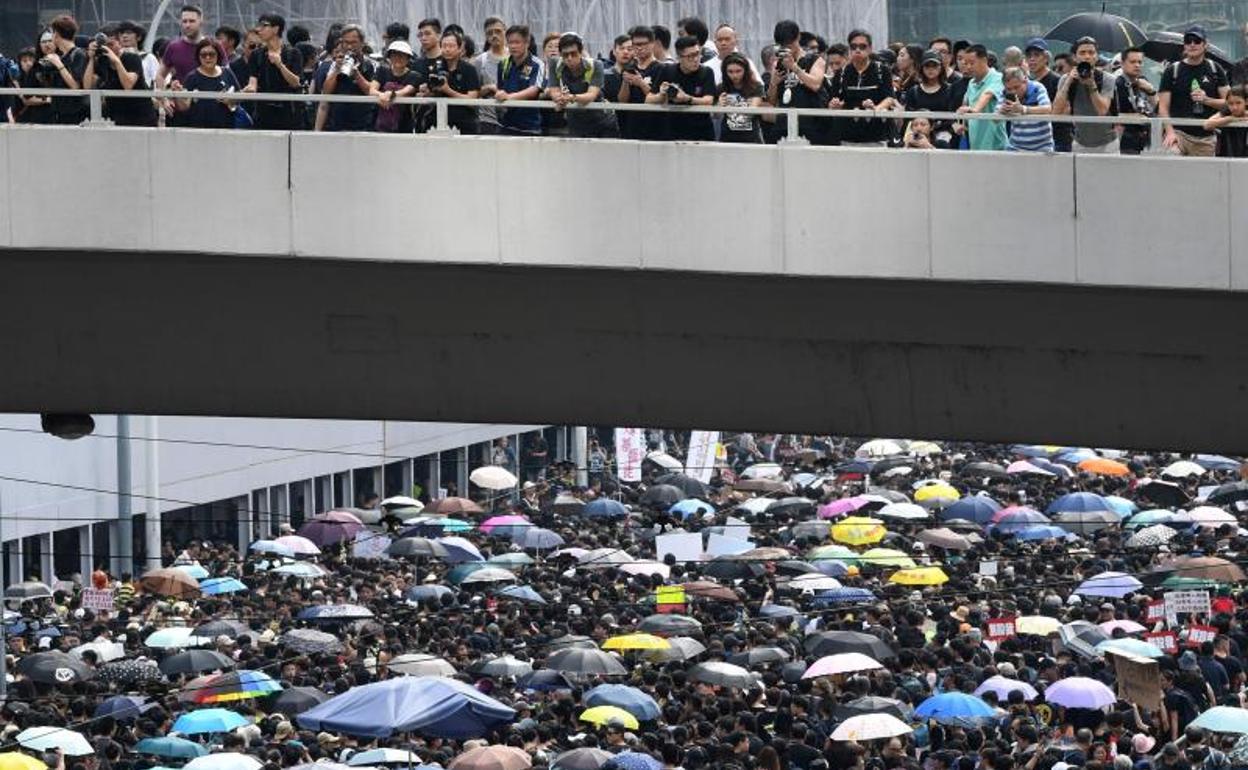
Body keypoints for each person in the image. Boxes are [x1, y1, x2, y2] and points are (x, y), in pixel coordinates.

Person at [1159, 24, 1230, 157]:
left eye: (1197, 41)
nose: (1192, 44)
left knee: (1203, 176)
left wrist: (1206, 100)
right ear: (1184, 45)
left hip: (1206, 136)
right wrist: (1169, 132)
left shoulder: (1215, 69)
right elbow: (1163, 107)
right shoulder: (1172, 70)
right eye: (1188, 41)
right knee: (1170, 163)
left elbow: (1230, 103)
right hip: (1179, 134)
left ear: (1205, 45)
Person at [766, 19, 831, 145]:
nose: (787, 49)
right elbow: (771, 101)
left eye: (790, 45)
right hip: (784, 124)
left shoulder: (815, 60)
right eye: (783, 46)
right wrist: (773, 83)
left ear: (798, 37)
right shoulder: (778, 64)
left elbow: (815, 85)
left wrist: (794, 67)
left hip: (811, 124)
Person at [828, 29, 895, 146]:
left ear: (870, 49)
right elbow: (834, 100)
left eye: (862, 46)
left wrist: (877, 108)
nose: (857, 50)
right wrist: (835, 104)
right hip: (848, 135)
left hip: (876, 134)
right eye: (853, 47)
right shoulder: (841, 73)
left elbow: (889, 97)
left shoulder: (882, 70)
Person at [1051, 36, 1117, 153]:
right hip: (1079, 142)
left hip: (1107, 143)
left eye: (1091, 53)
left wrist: (1092, 84)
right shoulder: (1066, 79)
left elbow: (1102, 110)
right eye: (1082, 53)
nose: (1087, 56)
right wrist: (1068, 82)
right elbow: (1056, 111)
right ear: (1075, 57)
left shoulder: (1107, 78)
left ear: (1097, 56)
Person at [83, 24, 157, 127]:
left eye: (111, 44)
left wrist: (117, 62)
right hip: (116, 117)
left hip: (140, 117)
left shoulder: (132, 58)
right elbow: (87, 86)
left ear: (120, 43)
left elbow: (128, 85)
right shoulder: (102, 60)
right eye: (105, 46)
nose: (108, 49)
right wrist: (91, 58)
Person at [547, 32, 617, 139]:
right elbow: (554, 90)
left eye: (573, 54)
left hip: (602, 122)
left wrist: (571, 97)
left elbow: (591, 95)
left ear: (581, 52)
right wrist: (559, 98)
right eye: (565, 55)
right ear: (560, 54)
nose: (569, 58)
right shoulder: (554, 63)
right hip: (576, 123)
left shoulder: (595, 65)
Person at [648, 35, 715, 142]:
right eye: (690, 56)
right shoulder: (667, 70)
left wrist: (687, 99)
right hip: (673, 130)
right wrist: (661, 95)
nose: (696, 59)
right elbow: (649, 99)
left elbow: (709, 100)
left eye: (697, 54)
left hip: (701, 131)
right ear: (679, 57)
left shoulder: (706, 72)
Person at [244, 13, 303, 130]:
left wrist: (279, 64)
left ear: (276, 29)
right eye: (258, 26)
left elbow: (296, 82)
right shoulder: (256, 55)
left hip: (288, 113)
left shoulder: (293, 53)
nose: (258, 29)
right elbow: (253, 81)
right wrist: (249, 88)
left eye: (264, 26)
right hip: (263, 113)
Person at [315, 23, 375, 132]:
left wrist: (356, 74)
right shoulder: (335, 63)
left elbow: (372, 91)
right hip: (337, 125)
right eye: (346, 42)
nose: (349, 47)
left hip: (364, 126)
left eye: (353, 43)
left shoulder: (371, 64)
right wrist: (337, 69)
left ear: (362, 43)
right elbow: (326, 92)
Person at [173, 36, 242, 128]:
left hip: (225, 128)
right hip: (199, 129)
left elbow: (239, 96)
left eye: (212, 54)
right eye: (203, 55)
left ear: (218, 55)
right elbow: (184, 107)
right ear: (198, 57)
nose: (208, 58)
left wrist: (229, 100)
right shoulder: (192, 77)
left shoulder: (227, 73)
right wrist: (177, 94)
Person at [423, 29, 480, 135]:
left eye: (451, 46)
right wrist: (427, 90)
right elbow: (429, 93)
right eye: (444, 46)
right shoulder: (436, 67)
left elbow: (472, 101)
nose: (447, 49)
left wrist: (448, 90)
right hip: (437, 122)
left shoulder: (469, 69)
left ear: (460, 49)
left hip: (464, 124)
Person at [616, 26, 667, 141]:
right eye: (635, 45)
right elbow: (622, 100)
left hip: (654, 127)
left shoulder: (662, 68)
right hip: (631, 125)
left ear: (652, 43)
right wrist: (625, 82)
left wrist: (640, 83)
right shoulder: (629, 67)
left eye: (643, 44)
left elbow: (661, 98)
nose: (639, 48)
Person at [492, 25, 543, 136]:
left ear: (527, 43)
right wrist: (499, 93)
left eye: (517, 42)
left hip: (529, 127)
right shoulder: (503, 64)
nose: (513, 46)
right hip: (505, 125)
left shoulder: (537, 64)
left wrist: (509, 97)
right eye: (510, 42)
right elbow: (500, 89)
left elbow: (534, 90)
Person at [158, 5, 226, 87]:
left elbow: (226, 74)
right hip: (183, 97)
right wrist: (162, 98)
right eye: (184, 21)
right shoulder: (173, 47)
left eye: (192, 21)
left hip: (211, 97)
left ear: (201, 21)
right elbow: (160, 75)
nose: (187, 25)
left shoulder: (214, 46)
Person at [957, 44, 1007, 151]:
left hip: (996, 145)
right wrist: (961, 123)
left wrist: (975, 110)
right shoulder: (971, 82)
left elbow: (987, 95)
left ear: (984, 60)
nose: (968, 67)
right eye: (966, 63)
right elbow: (966, 103)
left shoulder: (998, 78)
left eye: (972, 63)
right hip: (975, 145)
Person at [902, 50, 954, 148]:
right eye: (927, 66)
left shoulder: (950, 90)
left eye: (934, 66)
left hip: (943, 135)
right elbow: (908, 117)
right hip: (917, 134)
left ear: (941, 68)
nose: (931, 69)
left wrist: (935, 126)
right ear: (922, 68)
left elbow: (952, 115)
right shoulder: (913, 91)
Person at [1025, 37, 1068, 151]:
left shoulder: (1057, 80)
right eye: (1029, 56)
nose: (1032, 59)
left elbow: (1064, 110)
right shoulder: (1026, 83)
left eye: (1036, 55)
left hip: (1057, 139)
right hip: (1033, 140)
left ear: (1046, 58)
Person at [44, 14, 88, 124]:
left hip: (74, 114)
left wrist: (59, 65)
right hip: (58, 112)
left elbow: (75, 86)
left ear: (57, 34)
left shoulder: (79, 54)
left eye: (52, 32)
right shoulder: (61, 56)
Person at [370, 40, 422, 134]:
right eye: (395, 54)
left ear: (408, 58)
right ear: (390, 57)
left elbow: (407, 90)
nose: (398, 58)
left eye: (402, 55)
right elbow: (372, 90)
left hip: (403, 126)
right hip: (379, 124)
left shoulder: (415, 76)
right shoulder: (382, 71)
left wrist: (391, 94)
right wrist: (381, 95)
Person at [1114, 46, 1156, 155]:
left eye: (1140, 62)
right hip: (1124, 141)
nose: (1137, 65)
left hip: (1144, 140)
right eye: (1132, 62)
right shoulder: (1117, 84)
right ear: (1122, 64)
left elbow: (1158, 107)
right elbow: (1111, 115)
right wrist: (1137, 117)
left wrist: (1151, 91)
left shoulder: (1144, 81)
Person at [999, 66, 1053, 152]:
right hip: (1015, 147)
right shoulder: (1004, 92)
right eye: (1009, 89)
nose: (1013, 91)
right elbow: (995, 119)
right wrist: (1002, 111)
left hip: (1042, 147)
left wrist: (1023, 109)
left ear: (1025, 81)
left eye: (1016, 87)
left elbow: (1047, 109)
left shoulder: (1037, 88)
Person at [717, 52, 765, 144]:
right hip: (727, 137)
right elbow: (716, 116)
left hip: (751, 138)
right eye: (730, 72)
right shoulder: (721, 87)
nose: (734, 76)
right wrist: (719, 106)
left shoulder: (756, 86)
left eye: (738, 71)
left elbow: (753, 109)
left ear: (745, 70)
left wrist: (749, 105)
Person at [472, 16, 506, 135]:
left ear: (505, 32)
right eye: (490, 33)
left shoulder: (514, 57)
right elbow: (473, 92)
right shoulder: (480, 60)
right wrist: (488, 88)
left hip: (512, 117)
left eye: (498, 31)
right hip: (487, 119)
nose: (494, 35)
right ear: (486, 36)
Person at [16, 34, 57, 124]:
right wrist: (47, 100)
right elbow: (26, 99)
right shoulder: (34, 70)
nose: (28, 63)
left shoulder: (61, 61)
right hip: (35, 118)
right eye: (43, 42)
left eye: (50, 41)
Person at [1205, 84, 1248, 157]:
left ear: (1246, 102)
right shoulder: (1226, 111)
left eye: (1238, 103)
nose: (1235, 107)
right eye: (1231, 103)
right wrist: (1229, 119)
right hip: (1227, 153)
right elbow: (1207, 125)